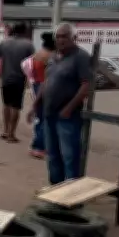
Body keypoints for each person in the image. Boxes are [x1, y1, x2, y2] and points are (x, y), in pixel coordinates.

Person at [29, 24, 91, 186]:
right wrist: (35, 104)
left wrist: (68, 108)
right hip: (49, 114)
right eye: (58, 36)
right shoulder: (54, 57)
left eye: (65, 36)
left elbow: (86, 85)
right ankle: (55, 190)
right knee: (52, 155)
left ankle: (70, 195)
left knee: (69, 156)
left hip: (68, 117)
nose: (61, 40)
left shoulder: (81, 57)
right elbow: (46, 82)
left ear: (73, 38)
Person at [0, 23, 35, 144]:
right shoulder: (28, 45)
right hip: (19, 80)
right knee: (16, 107)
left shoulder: (4, 43)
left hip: (6, 79)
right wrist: (31, 80)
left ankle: (5, 131)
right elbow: (32, 64)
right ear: (24, 31)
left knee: (6, 105)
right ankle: (11, 134)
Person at [28, 32, 55, 159]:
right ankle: (39, 147)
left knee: (40, 118)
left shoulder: (37, 54)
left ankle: (37, 145)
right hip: (46, 87)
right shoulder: (51, 56)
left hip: (36, 85)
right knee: (46, 119)